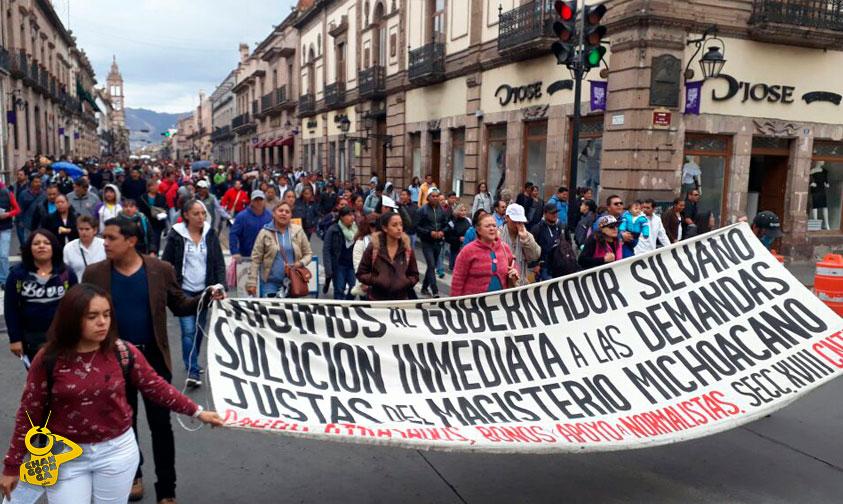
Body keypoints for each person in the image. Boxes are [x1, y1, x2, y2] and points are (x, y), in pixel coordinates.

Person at [0, 284, 223, 504]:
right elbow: (30, 412)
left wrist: (198, 412)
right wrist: (13, 464)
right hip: (64, 456)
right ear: (72, 318)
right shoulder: (48, 358)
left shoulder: (123, 352)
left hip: (116, 453)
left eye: (107, 314)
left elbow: (156, 387)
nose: (102, 322)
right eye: (92, 316)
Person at [82, 217, 224, 504]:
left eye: (111, 238)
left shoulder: (160, 270)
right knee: (124, 425)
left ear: (131, 241)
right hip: (112, 361)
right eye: (104, 238)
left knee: (161, 426)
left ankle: (167, 490)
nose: (105, 243)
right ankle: (133, 475)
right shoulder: (94, 274)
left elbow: (180, 305)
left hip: (153, 360)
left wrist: (206, 297)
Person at [161, 199, 226, 388]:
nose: (201, 217)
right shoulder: (176, 235)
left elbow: (219, 263)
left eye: (203, 213)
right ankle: (193, 371)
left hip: (205, 291)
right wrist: (169, 286)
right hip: (184, 291)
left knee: (199, 330)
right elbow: (166, 262)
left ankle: (193, 360)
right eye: (196, 213)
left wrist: (220, 285)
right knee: (188, 331)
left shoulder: (210, 234)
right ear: (186, 215)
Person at [5, 229, 77, 361]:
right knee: (37, 378)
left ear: (53, 247)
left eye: (46, 243)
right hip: (30, 339)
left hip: (61, 337)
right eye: (36, 243)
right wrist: (15, 339)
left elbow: (76, 307)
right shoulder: (17, 274)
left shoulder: (66, 273)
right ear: (29, 248)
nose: (41, 246)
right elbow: (11, 308)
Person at [247, 201, 312, 298]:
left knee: (291, 312)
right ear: (274, 213)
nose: (283, 213)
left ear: (291, 216)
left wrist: (301, 263)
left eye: (287, 212)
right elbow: (255, 259)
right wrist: (252, 282)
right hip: (270, 284)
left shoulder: (298, 231)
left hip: (293, 283)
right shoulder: (264, 233)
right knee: (271, 311)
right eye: (280, 210)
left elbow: (308, 254)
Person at [450, 213, 519, 297]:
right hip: (474, 305)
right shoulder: (468, 251)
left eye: (494, 226)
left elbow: (513, 264)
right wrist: (455, 303)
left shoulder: (504, 247)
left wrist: (514, 271)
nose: (492, 229)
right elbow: (458, 279)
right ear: (478, 230)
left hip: (500, 303)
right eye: (487, 226)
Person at [356, 212, 419, 301]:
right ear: (385, 228)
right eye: (394, 225)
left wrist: (405, 282)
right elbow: (361, 273)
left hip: (401, 301)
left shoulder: (407, 248)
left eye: (401, 224)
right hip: (377, 301)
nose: (399, 228)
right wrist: (376, 280)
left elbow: (414, 275)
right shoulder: (374, 248)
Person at [230, 191, 273, 297]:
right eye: (256, 200)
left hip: (266, 258)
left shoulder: (270, 216)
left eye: (261, 200)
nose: (259, 203)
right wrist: (235, 252)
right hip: (247, 258)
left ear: (264, 201)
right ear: (251, 202)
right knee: (247, 290)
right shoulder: (242, 216)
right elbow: (233, 234)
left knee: (265, 290)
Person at [415, 188, 448, 297]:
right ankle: (435, 291)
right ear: (428, 197)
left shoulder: (441, 210)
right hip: (427, 242)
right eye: (433, 196)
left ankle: (424, 288)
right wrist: (429, 233)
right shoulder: (422, 210)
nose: (435, 198)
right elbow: (417, 227)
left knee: (431, 267)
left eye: (437, 196)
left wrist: (442, 232)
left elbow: (446, 224)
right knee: (431, 264)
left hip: (438, 242)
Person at [499, 203, 541, 287]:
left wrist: (526, 239)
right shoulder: (498, 235)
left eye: (520, 221)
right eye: (514, 221)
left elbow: (535, 255)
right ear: (507, 218)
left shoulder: (527, 235)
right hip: (503, 285)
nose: (517, 224)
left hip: (521, 284)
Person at [323, 206, 358, 300]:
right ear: (342, 217)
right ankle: (338, 309)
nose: (352, 217)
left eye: (353, 215)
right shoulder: (333, 229)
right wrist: (328, 268)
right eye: (349, 215)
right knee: (339, 290)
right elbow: (326, 249)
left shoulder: (356, 229)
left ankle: (347, 306)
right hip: (338, 265)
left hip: (352, 265)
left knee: (353, 289)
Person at [63, 216, 106, 282]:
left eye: (87, 229)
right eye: (81, 229)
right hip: (78, 288)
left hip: (100, 287)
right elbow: (65, 272)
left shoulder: (104, 245)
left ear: (95, 230)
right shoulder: (69, 247)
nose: (84, 232)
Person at [530, 202, 565, 281]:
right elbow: (531, 248)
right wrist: (535, 264)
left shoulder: (560, 226)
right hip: (544, 267)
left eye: (556, 212)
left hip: (559, 265)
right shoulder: (537, 228)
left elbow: (567, 241)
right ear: (545, 214)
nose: (554, 215)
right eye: (552, 213)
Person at [350, 213, 380, 299]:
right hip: (367, 284)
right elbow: (358, 265)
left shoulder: (384, 241)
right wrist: (363, 283)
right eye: (373, 226)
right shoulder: (361, 243)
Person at [0, 182, 20, 287]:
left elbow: (17, 209)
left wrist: (7, 214)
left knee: (3, 255)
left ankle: (4, 279)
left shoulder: (7, 193)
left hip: (5, 228)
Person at [445, 203, 472, 272]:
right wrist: (458, 239)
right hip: (455, 248)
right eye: (461, 210)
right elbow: (447, 237)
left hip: (466, 247)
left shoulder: (468, 221)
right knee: (454, 267)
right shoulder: (452, 223)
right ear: (457, 211)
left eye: (464, 210)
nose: (463, 212)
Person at [17, 176, 44, 241]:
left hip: (41, 222)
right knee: (29, 240)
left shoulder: (44, 194)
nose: (38, 184)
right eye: (36, 182)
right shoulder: (23, 194)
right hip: (28, 222)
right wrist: (20, 220)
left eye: (39, 182)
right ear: (31, 183)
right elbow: (20, 208)